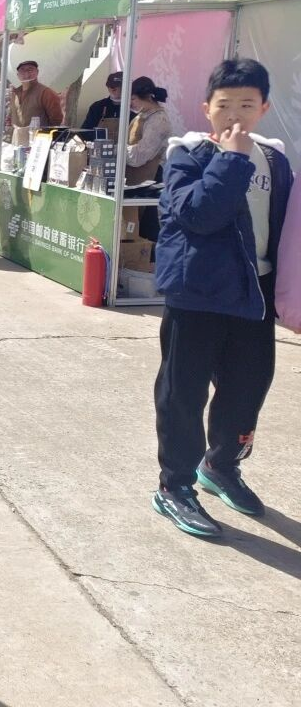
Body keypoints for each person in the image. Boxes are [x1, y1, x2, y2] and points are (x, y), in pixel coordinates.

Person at [151, 58, 292, 538]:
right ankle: (175, 486)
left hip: (254, 294)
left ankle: (221, 465)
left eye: (247, 105)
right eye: (224, 104)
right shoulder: (188, 155)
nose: (235, 114)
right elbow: (199, 215)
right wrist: (231, 159)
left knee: (247, 389)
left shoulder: (275, 160)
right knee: (183, 393)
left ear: (264, 108)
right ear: (206, 108)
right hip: (197, 294)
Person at [125, 76, 174, 185]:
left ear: (148, 97)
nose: (130, 103)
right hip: (134, 178)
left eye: (133, 99)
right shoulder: (141, 115)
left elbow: (139, 156)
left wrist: (116, 150)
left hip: (150, 181)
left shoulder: (158, 121)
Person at [9, 60, 64, 128]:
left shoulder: (45, 92)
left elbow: (56, 120)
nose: (26, 74)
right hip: (16, 134)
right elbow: (12, 116)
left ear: (37, 72)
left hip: (38, 134)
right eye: (22, 70)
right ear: (18, 75)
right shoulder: (15, 93)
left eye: (30, 70)